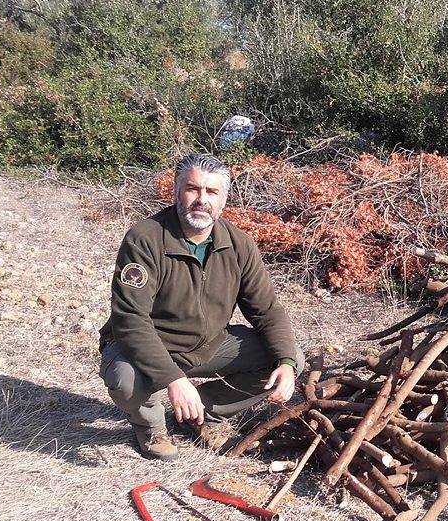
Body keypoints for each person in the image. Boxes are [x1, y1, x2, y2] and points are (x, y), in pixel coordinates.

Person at [98, 153, 301, 461]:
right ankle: (150, 425)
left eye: (212, 192)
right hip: (146, 345)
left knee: (289, 357)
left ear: (224, 198)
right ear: (177, 191)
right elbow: (130, 320)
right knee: (125, 380)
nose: (201, 199)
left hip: (206, 345)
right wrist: (174, 380)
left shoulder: (239, 244)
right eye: (192, 189)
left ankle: (205, 411)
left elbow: (267, 310)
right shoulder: (145, 238)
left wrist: (285, 362)